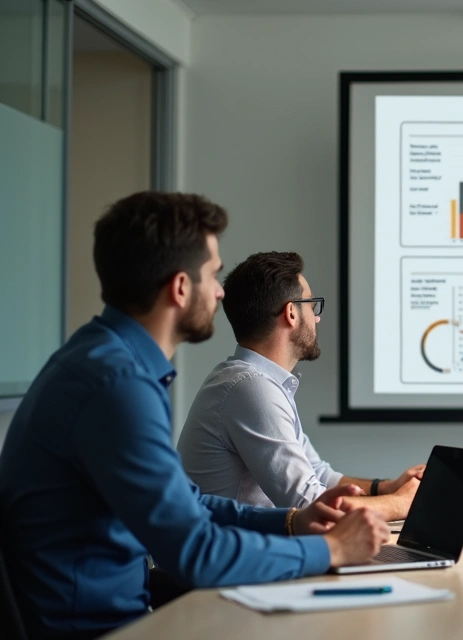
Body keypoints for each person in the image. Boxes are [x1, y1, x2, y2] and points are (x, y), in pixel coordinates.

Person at [0, 192, 389, 639]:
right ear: (181, 287)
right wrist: (329, 551)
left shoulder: (102, 360)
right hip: (101, 628)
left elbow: (189, 504)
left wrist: (292, 522)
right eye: (213, 275)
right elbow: (196, 554)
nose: (222, 292)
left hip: (126, 610)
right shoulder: (116, 384)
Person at [179, 251, 423, 520]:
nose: (317, 318)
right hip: (230, 559)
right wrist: (401, 504)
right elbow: (308, 504)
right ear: (292, 312)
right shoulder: (249, 388)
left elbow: (319, 474)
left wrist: (387, 488)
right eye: (312, 305)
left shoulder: (260, 383)